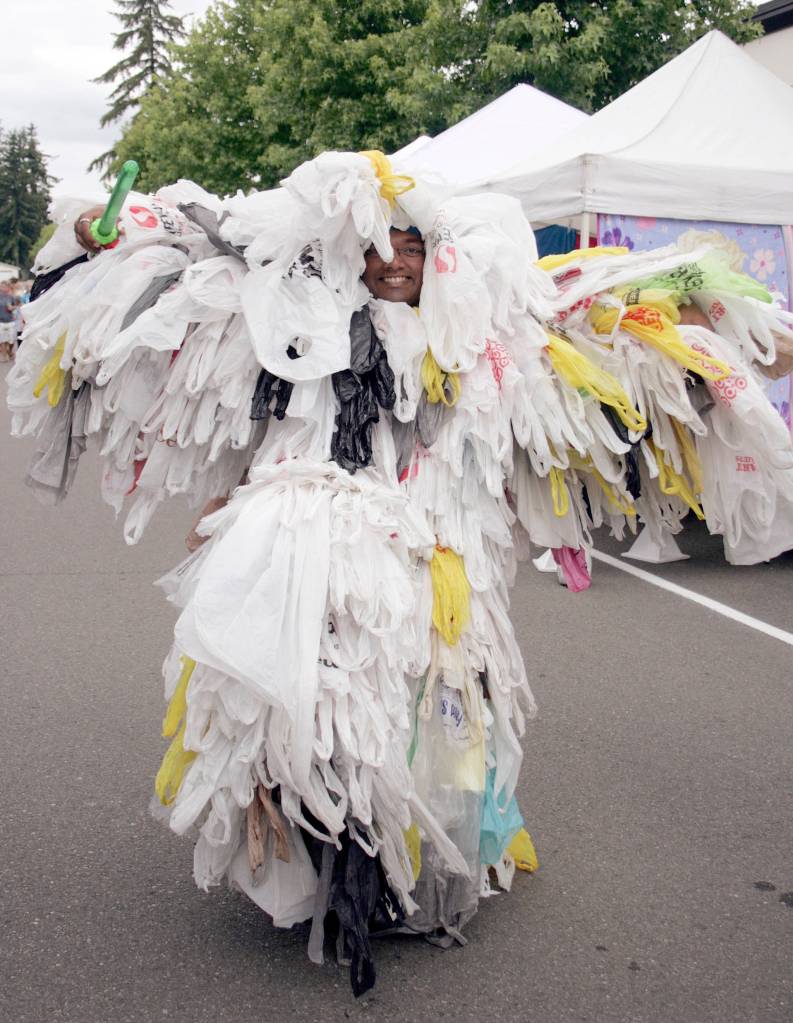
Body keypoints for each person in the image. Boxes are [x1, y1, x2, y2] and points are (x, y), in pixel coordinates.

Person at [11, 152, 793, 995]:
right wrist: (96, 238)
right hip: (319, 565)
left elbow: (644, 365)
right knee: (307, 712)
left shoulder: (498, 349)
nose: (392, 260)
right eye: (377, 246)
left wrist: (713, 326)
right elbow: (164, 281)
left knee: (440, 724)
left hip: (440, 575)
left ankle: (417, 860)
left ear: (442, 255)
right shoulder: (296, 331)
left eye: (410, 246)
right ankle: (321, 857)